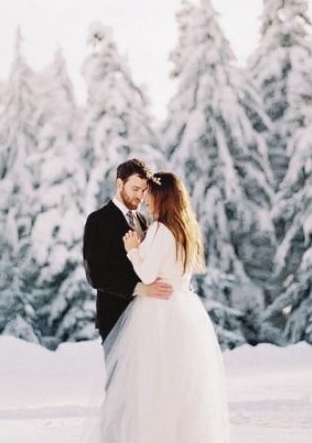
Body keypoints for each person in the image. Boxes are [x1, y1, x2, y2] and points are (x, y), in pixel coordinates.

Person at [96, 171, 231, 443]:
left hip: (158, 311)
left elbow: (147, 274)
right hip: (184, 310)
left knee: (151, 384)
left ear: (162, 197)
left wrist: (133, 249)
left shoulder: (160, 229)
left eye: (150, 195)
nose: (145, 200)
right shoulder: (186, 229)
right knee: (180, 385)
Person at [83, 159, 174, 343]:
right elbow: (96, 275)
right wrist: (141, 289)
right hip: (115, 318)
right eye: (135, 189)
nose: (140, 197)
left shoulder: (146, 221)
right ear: (119, 184)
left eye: (144, 191)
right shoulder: (98, 220)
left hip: (148, 317)